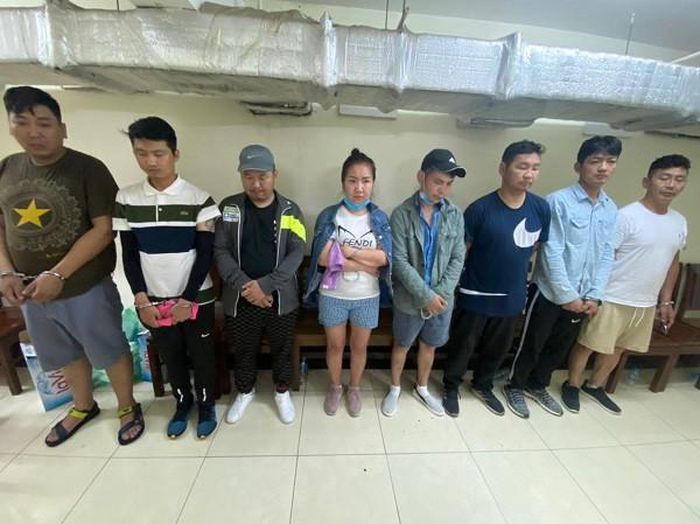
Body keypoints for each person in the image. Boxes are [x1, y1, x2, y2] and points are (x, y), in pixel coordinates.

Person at [0, 86, 144, 446]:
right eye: (22, 123)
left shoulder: (87, 169)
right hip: (30, 291)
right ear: (11, 127)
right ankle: (83, 405)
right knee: (62, 351)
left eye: (44, 123)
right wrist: (5, 272)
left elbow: (104, 230)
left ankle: (127, 406)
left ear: (62, 128)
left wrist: (58, 273)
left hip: (84, 285)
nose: (34, 132)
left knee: (109, 347)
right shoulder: (7, 168)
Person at [113, 116, 221, 439]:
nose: (150, 161)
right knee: (171, 355)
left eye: (158, 153)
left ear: (175, 153)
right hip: (154, 300)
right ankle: (182, 402)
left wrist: (187, 299)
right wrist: (140, 298)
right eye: (141, 153)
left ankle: (206, 405)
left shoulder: (199, 199)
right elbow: (129, 255)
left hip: (196, 297)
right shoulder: (126, 199)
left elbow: (205, 254)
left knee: (201, 355)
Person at [563, 154, 690, 415]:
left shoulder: (679, 221)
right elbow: (603, 257)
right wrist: (594, 294)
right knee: (588, 343)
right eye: (664, 178)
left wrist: (666, 300)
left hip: (646, 301)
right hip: (612, 295)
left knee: (619, 347)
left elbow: (672, 261)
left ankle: (595, 385)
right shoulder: (626, 216)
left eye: (679, 179)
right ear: (647, 181)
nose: (671, 185)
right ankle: (572, 384)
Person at [504, 136, 621, 418]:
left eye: (610, 162)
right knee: (532, 342)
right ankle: (515, 385)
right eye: (595, 161)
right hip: (549, 291)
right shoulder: (558, 202)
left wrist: (594, 295)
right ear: (579, 166)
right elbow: (551, 250)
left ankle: (537, 385)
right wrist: (567, 296)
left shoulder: (610, 208)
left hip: (584, 296)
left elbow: (607, 254)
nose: (603, 168)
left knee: (559, 346)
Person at [442, 140, 551, 417]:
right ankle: (451, 387)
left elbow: (535, 248)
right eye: (522, 166)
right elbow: (461, 253)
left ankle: (483, 385)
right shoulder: (480, 209)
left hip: (512, 296)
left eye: (535, 168)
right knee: (462, 346)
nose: (529, 174)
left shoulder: (540, 208)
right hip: (475, 294)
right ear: (503, 168)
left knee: (498, 348)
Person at [214, 144, 306, 425]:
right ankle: (245, 391)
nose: (256, 185)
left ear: (275, 175)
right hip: (240, 296)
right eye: (249, 177)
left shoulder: (291, 210)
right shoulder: (229, 208)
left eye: (263, 177)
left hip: (280, 297)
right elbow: (220, 250)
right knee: (243, 348)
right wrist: (247, 287)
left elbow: (297, 252)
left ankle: (282, 391)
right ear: (241, 176)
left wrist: (265, 286)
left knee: (282, 348)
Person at [305, 148, 391, 417]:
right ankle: (335, 386)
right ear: (343, 183)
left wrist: (347, 252)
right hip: (333, 294)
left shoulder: (379, 218)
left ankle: (354, 387)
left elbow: (384, 258)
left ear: (373, 183)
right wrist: (364, 263)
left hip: (367, 296)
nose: (359, 188)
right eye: (353, 180)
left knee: (359, 347)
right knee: (334, 346)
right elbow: (323, 258)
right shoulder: (330, 216)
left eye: (366, 180)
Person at [380, 149, 466, 417]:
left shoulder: (455, 215)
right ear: (421, 177)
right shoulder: (402, 214)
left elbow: (458, 257)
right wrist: (425, 296)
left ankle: (422, 387)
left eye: (449, 184)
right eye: (438, 182)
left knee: (430, 345)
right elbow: (399, 261)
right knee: (402, 344)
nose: (443, 189)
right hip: (409, 298)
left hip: (442, 301)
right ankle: (394, 388)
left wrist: (439, 295)